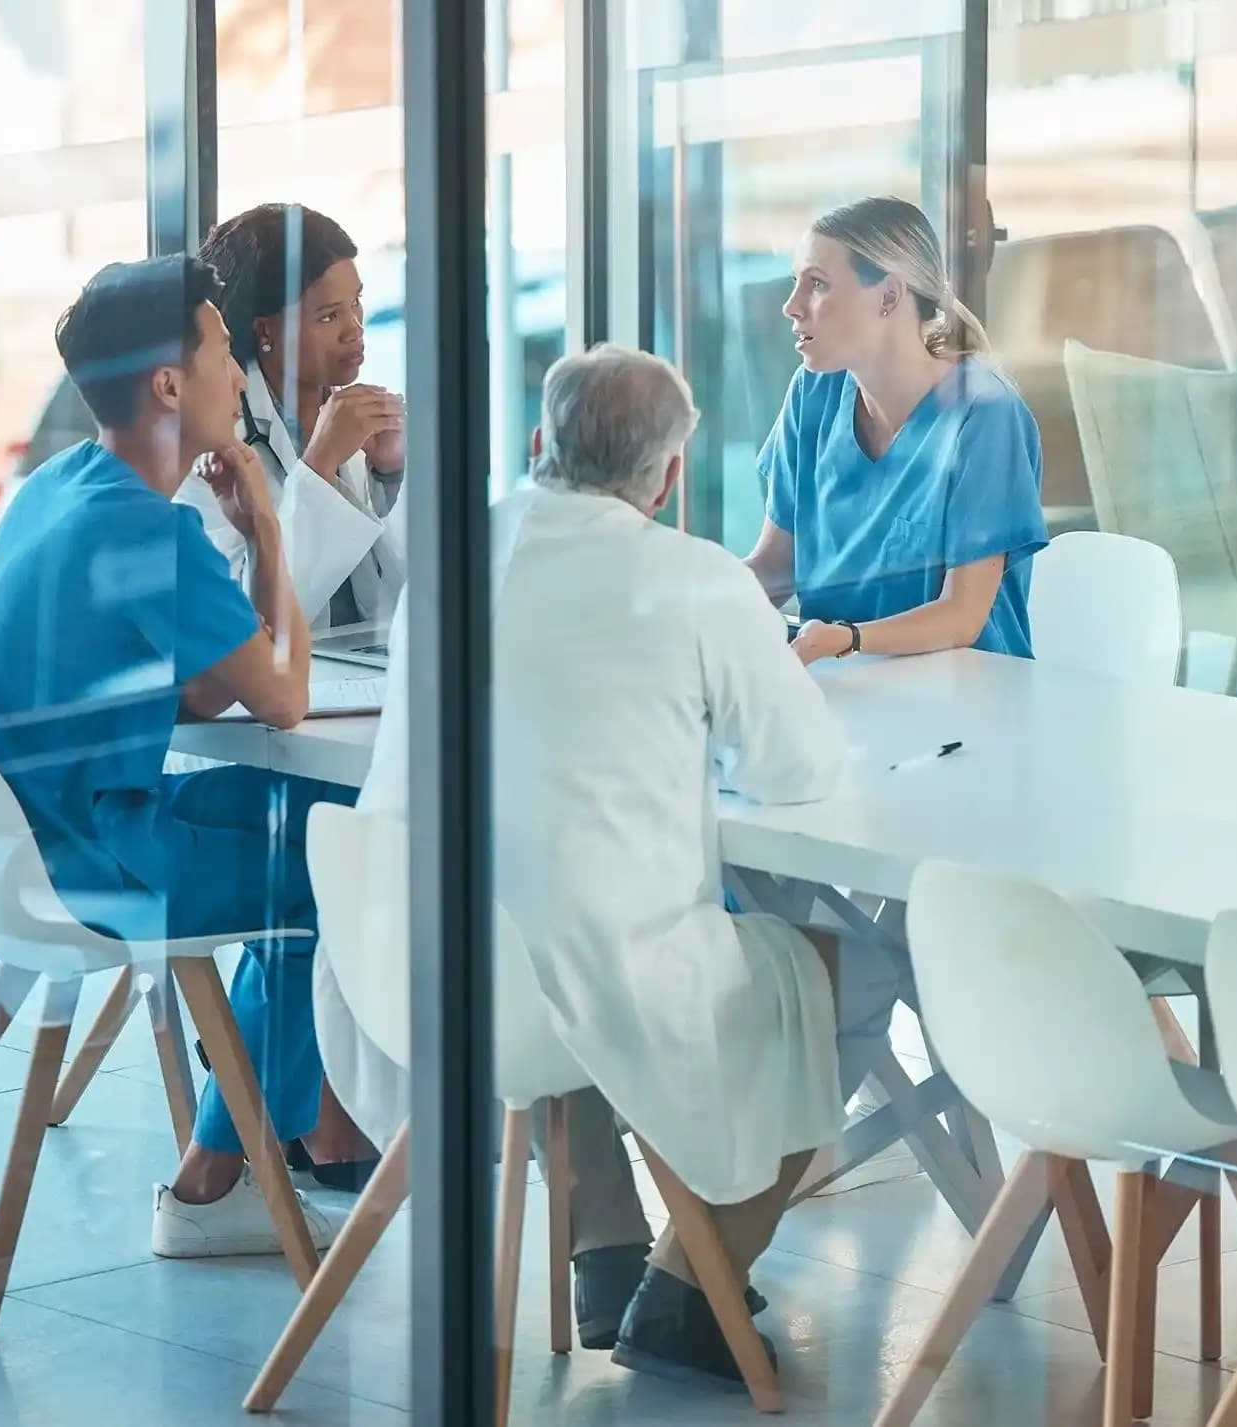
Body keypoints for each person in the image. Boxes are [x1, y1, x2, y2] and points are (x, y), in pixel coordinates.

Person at [353, 344, 910, 1384]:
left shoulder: (455, 548)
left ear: (534, 447)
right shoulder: (693, 579)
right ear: (666, 476)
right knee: (843, 970)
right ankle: (689, 1283)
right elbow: (795, 770)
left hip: (422, 969)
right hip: (572, 985)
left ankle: (605, 1254)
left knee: (549, 933)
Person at [0, 254, 348, 1260]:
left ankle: (247, 1150)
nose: (241, 377)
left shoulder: (54, 486)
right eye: (222, 351)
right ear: (170, 383)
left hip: (10, 848)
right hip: (85, 864)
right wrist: (267, 535)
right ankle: (218, 1181)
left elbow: (209, 686)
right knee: (336, 865)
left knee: (337, 825)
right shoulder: (149, 534)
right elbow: (284, 697)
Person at [746, 195, 1048, 664]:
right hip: (846, 686)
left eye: (818, 284)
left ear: (889, 295)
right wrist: (687, 601)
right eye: (795, 283)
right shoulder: (813, 392)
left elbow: (962, 615)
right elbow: (775, 568)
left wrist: (848, 639)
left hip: (972, 701)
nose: (791, 305)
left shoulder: (985, 414)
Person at [181, 203, 408, 631]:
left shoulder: (360, 419)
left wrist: (390, 476)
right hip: (278, 693)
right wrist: (319, 465)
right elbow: (249, 624)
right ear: (264, 330)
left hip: (367, 682)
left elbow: (420, 598)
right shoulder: (209, 445)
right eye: (329, 315)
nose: (355, 328)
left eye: (356, 303)